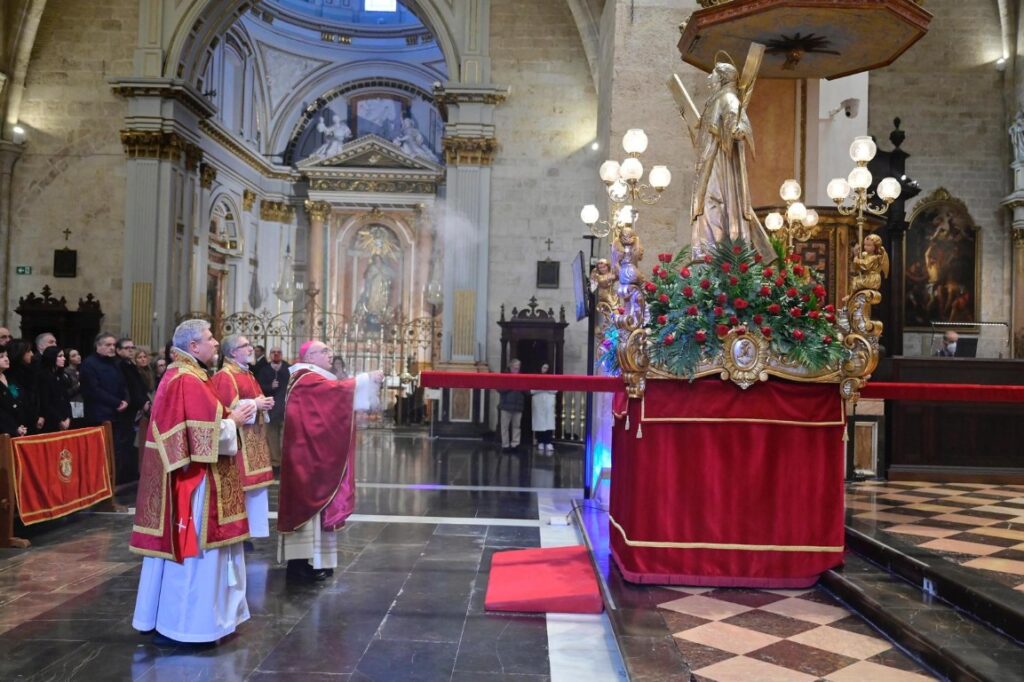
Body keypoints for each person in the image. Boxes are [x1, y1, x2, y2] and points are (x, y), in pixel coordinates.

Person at [130, 319, 257, 646]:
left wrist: (229, 418)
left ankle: (202, 621)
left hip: (198, 478)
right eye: (210, 338)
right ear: (193, 346)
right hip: (193, 484)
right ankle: (188, 627)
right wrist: (234, 421)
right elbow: (197, 437)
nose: (217, 343)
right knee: (193, 555)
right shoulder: (185, 379)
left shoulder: (192, 375)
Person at [277, 340, 382, 582]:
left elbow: (333, 401)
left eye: (330, 350)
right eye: (324, 351)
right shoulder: (306, 379)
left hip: (312, 455)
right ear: (310, 357)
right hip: (306, 459)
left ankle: (314, 562)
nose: (330, 355)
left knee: (317, 511)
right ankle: (300, 566)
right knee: (306, 509)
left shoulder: (313, 378)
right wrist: (366, 378)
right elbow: (336, 395)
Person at [683, 59, 774, 261]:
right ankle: (705, 254)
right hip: (708, 162)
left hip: (719, 164)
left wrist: (731, 131)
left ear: (722, 78)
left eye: (713, 74)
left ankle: (715, 255)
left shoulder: (729, 100)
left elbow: (740, 130)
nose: (709, 78)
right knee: (706, 205)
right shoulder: (715, 101)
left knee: (714, 202)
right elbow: (703, 136)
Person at [211, 335, 275, 542]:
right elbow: (225, 410)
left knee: (255, 490)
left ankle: (252, 531)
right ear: (232, 352)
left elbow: (254, 401)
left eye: (249, 345)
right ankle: (241, 531)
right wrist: (256, 405)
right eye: (244, 346)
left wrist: (263, 404)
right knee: (241, 488)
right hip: (239, 444)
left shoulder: (248, 374)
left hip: (254, 439)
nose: (250, 349)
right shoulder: (225, 375)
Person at [80, 333, 130, 482]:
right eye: (108, 345)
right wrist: (117, 402)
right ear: (98, 346)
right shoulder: (89, 364)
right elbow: (94, 390)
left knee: (115, 451)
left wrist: (126, 400)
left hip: (116, 414)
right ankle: (99, 483)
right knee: (100, 452)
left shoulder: (114, 362)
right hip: (99, 415)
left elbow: (123, 384)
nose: (112, 348)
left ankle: (112, 482)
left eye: (113, 345)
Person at [256, 346, 289, 470]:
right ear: (270, 355)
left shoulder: (288, 369)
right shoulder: (264, 370)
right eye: (273, 352)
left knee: (285, 438)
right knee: (272, 438)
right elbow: (259, 387)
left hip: (285, 410)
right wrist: (270, 386)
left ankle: (286, 463)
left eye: (278, 352)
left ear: (282, 354)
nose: (276, 354)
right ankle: (276, 464)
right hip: (271, 410)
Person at [6, 340, 40, 433]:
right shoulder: (10, 376)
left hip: (34, 420)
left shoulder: (31, 370)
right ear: (19, 354)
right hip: (20, 424)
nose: (32, 354)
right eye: (28, 351)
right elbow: (16, 397)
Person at [37, 347, 72, 432]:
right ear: (51, 357)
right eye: (60, 356)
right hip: (51, 420)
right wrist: (59, 420)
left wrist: (68, 417)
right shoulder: (43, 376)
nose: (64, 358)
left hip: (65, 418)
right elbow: (46, 402)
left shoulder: (61, 376)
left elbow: (66, 398)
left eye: (63, 356)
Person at [0, 348, 30, 437]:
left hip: (19, 426)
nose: (6, 359)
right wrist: (13, 428)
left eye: (6, 356)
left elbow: (18, 400)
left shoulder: (9, 378)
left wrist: (21, 426)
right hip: (4, 430)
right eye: (1, 357)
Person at [497, 359, 524, 453]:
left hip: (518, 405)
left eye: (518, 367)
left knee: (516, 426)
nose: (517, 368)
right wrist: (512, 385)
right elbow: (499, 389)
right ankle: (505, 445)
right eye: (515, 366)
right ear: (511, 367)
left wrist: (522, 387)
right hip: (506, 405)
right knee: (504, 427)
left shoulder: (522, 377)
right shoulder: (504, 376)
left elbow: (527, 391)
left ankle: (515, 444)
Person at [531, 363, 556, 455]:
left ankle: (548, 442)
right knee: (539, 423)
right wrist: (543, 387)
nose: (545, 369)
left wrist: (543, 387)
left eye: (547, 368)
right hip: (538, 403)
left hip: (548, 403)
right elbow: (532, 390)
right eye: (544, 367)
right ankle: (540, 441)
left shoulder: (552, 377)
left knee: (548, 423)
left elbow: (554, 390)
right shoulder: (535, 377)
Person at [63, 347, 84, 423]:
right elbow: (66, 392)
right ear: (68, 359)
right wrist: (79, 385)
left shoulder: (82, 370)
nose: (78, 357)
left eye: (78, 354)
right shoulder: (65, 372)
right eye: (74, 356)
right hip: (74, 404)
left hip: (84, 402)